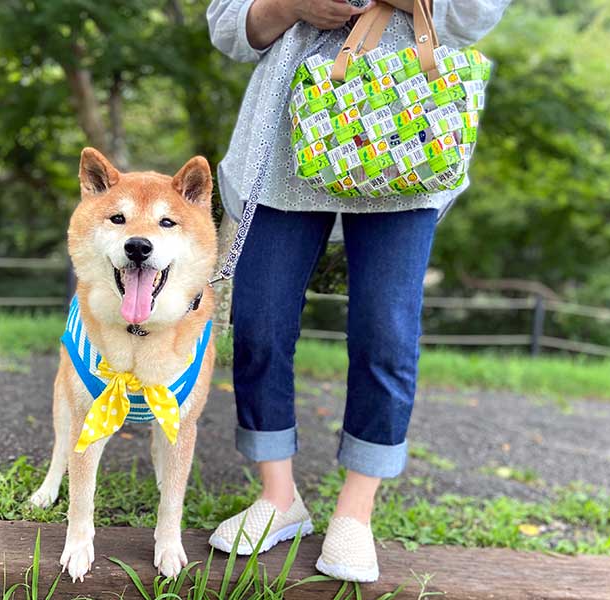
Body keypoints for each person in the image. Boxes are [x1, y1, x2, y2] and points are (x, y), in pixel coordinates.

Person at [205, 0, 511, 583]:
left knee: (385, 331)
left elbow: (476, 14)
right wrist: (289, 5)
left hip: (409, 128)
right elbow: (229, 26)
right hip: (289, 132)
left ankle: (356, 512)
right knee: (260, 318)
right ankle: (277, 497)